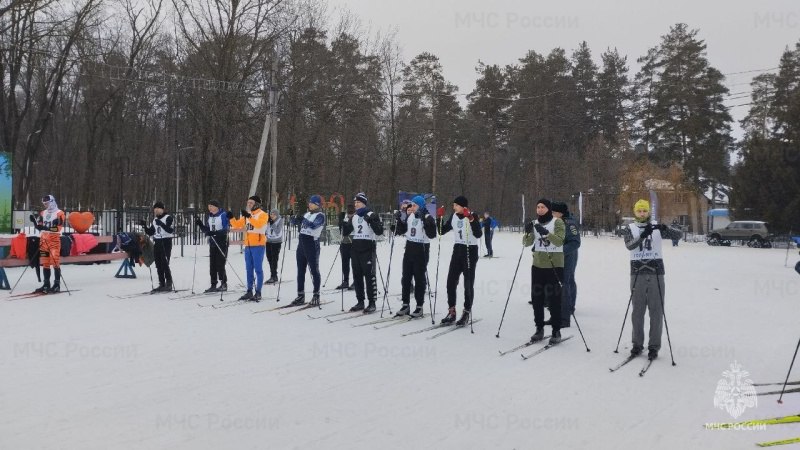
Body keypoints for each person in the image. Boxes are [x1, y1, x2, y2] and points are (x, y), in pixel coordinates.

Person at [621, 199, 682, 360]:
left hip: (656, 272)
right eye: (639, 211)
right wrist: (642, 235)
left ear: (648, 212)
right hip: (637, 272)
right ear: (635, 212)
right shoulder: (630, 228)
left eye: (644, 211)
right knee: (638, 311)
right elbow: (629, 245)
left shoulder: (656, 227)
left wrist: (665, 228)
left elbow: (679, 235)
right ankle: (637, 344)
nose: (642, 213)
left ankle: (654, 346)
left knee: (656, 310)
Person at [523, 199, 566, 344]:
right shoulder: (535, 223)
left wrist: (547, 233)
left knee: (554, 300)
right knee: (537, 299)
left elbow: (560, 241)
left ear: (548, 209)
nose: (540, 209)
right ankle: (539, 328)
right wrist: (528, 232)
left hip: (554, 265)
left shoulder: (557, 222)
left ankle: (556, 330)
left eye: (543, 207)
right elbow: (526, 243)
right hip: (538, 265)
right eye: (538, 207)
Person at [438, 196, 482, 326]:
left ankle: (466, 312)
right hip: (457, 249)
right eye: (453, 205)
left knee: (468, 284)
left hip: (470, 250)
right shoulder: (453, 216)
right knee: (450, 282)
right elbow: (441, 231)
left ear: (463, 206)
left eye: (456, 205)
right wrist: (439, 218)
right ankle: (452, 311)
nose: (454, 207)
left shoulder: (472, 215)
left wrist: (472, 219)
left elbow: (479, 234)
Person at [394, 195, 437, 318]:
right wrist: (398, 221)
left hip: (422, 248)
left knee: (419, 278)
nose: (411, 207)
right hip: (409, 247)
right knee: (406, 277)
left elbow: (432, 234)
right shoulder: (410, 216)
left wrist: (427, 222)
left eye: (414, 205)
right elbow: (402, 230)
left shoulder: (427, 216)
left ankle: (419, 306)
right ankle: (405, 304)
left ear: (420, 205)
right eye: (411, 205)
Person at [342, 192, 384, 313]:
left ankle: (372, 302)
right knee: (357, 276)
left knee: (369, 276)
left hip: (368, 248)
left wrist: (372, 221)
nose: (356, 204)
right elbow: (345, 232)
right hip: (355, 248)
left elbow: (379, 231)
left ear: (364, 203)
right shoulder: (354, 216)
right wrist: (345, 220)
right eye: (355, 202)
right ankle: (360, 301)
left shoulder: (371, 214)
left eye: (358, 202)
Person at [229, 195, 268, 301]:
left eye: (251, 203)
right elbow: (237, 225)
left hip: (258, 246)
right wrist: (231, 217)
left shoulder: (263, 214)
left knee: (258, 269)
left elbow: (259, 225)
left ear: (257, 204)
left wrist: (249, 217)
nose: (249, 204)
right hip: (248, 246)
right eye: (248, 202)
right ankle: (249, 291)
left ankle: (258, 292)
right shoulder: (248, 215)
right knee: (249, 269)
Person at [291, 195, 326, 306]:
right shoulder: (307, 214)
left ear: (318, 205)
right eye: (310, 202)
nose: (310, 204)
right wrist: (294, 219)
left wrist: (303, 220)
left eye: (313, 203)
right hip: (302, 244)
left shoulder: (320, 215)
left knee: (314, 270)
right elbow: (297, 224)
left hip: (312, 244)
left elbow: (313, 226)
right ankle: (300, 295)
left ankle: (316, 295)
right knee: (300, 270)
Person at [551, 201, 580, 328]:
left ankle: (568, 308)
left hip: (569, 255)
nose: (551, 214)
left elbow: (575, 242)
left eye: (553, 212)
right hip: (557, 256)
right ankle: (561, 307)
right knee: (561, 281)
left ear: (560, 213)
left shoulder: (570, 223)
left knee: (567, 281)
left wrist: (561, 250)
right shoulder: (555, 222)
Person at [30, 195, 66, 293]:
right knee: (45, 262)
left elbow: (58, 229)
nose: (46, 205)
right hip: (43, 241)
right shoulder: (43, 213)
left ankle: (57, 284)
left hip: (54, 240)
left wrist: (47, 228)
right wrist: (35, 224)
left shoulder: (60, 213)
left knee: (55, 262)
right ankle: (46, 284)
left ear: (52, 201)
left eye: (47, 203)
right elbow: (40, 226)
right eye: (44, 204)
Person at [194, 200, 230, 293]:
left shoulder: (223, 215)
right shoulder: (210, 216)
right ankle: (213, 284)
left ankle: (224, 283)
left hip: (222, 242)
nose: (209, 208)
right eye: (208, 206)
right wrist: (200, 225)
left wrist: (215, 233)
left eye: (211, 206)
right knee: (212, 265)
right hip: (213, 243)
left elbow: (226, 229)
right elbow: (207, 230)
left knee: (220, 264)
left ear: (216, 207)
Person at [140, 201, 175, 292]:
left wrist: (161, 224)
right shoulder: (155, 220)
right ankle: (161, 283)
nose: (156, 210)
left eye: (158, 208)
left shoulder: (168, 218)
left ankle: (169, 283)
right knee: (158, 264)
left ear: (162, 209)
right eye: (155, 208)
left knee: (165, 263)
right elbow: (151, 232)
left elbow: (170, 230)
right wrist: (145, 226)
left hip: (166, 241)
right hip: (157, 242)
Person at [334, 204, 355, 290]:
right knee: (345, 263)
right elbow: (341, 230)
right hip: (344, 243)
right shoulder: (344, 217)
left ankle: (356, 281)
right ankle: (345, 281)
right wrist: (340, 221)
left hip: (354, 243)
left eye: (351, 213)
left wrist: (345, 223)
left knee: (355, 264)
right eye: (349, 213)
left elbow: (348, 230)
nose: (350, 214)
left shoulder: (356, 218)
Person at [265, 209, 284, 284]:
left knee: (274, 259)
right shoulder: (269, 220)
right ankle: (272, 274)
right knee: (269, 257)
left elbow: (277, 231)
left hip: (276, 242)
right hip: (269, 241)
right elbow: (266, 229)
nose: (271, 215)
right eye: (271, 214)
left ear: (276, 215)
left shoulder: (280, 220)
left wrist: (272, 223)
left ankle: (274, 276)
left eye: (273, 214)